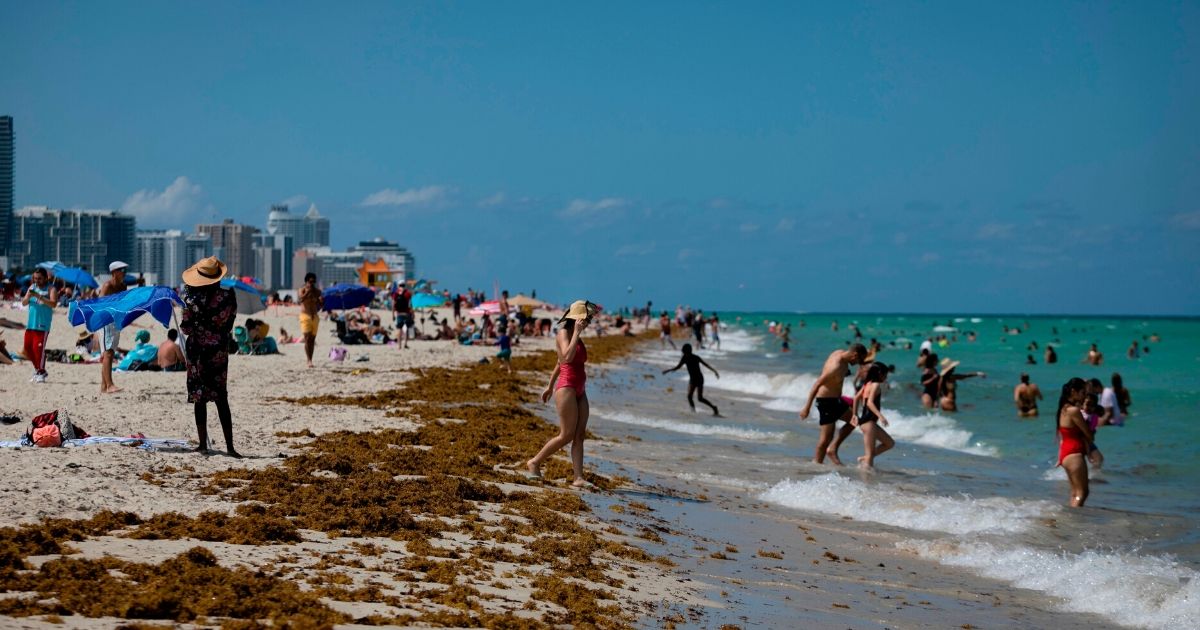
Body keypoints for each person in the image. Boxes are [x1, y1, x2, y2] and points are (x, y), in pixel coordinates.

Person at [526, 300, 598, 488]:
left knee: (579, 435)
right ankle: (534, 462)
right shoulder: (564, 333)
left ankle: (578, 478)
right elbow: (566, 357)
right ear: (577, 318)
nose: (589, 321)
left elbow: (558, 363)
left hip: (580, 388)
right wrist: (577, 332)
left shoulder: (577, 336)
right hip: (567, 387)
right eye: (587, 318)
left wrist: (549, 386)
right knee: (566, 434)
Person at [179, 256, 239, 457]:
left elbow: (186, 328)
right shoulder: (229, 297)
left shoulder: (191, 300)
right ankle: (230, 447)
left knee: (199, 397)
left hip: (197, 351)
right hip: (219, 352)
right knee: (222, 397)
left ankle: (203, 444)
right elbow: (229, 325)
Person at [799, 343, 868, 465]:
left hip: (836, 400)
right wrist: (806, 408)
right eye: (859, 360)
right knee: (825, 438)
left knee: (854, 420)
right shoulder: (835, 366)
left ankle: (832, 449)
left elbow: (837, 373)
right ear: (855, 355)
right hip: (826, 402)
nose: (858, 363)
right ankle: (817, 463)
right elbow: (817, 384)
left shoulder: (839, 353)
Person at [1055, 377, 1100, 507]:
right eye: (1082, 393)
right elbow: (1089, 435)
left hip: (1066, 453)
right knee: (1082, 492)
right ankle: (1074, 518)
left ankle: (1071, 518)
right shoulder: (1074, 411)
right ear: (1074, 391)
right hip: (1074, 453)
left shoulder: (1063, 409)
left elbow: (1062, 436)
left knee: (1075, 492)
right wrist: (1092, 425)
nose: (1084, 396)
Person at [852, 362, 895, 470]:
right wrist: (881, 416)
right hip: (869, 423)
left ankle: (864, 459)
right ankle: (867, 479)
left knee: (889, 443)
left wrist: (855, 415)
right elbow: (870, 403)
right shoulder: (875, 385)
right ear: (880, 374)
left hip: (866, 422)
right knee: (870, 455)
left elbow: (856, 398)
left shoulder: (867, 384)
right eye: (885, 375)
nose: (886, 377)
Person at [662, 343, 720, 416]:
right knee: (689, 396)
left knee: (700, 398)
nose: (684, 353)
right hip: (693, 379)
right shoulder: (684, 358)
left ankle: (714, 407)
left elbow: (706, 364)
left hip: (699, 378)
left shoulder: (695, 357)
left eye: (685, 351)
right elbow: (678, 367)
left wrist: (714, 371)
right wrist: (668, 370)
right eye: (684, 352)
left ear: (688, 351)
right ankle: (693, 411)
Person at [21, 267, 57, 383]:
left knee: (38, 350)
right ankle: (38, 370)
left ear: (46, 278)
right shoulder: (32, 287)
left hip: (42, 325)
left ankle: (41, 372)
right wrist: (29, 296)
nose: (37, 281)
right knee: (27, 349)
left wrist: (39, 296)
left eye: (40, 278)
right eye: (35, 278)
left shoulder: (51, 288)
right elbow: (24, 302)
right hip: (31, 324)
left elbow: (53, 304)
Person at [98, 261, 129, 393]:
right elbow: (99, 305)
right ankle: (110, 385)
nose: (124, 273)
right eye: (121, 270)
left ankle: (104, 386)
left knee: (109, 353)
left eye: (125, 270)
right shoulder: (107, 286)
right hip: (106, 321)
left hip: (116, 322)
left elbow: (124, 305)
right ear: (114, 273)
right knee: (108, 353)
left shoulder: (123, 286)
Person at [298, 273, 323, 368]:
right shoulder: (302, 289)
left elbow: (321, 304)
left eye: (313, 282)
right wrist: (308, 292)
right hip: (305, 315)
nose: (312, 284)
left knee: (312, 340)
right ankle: (308, 360)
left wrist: (320, 300)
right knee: (307, 338)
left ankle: (311, 359)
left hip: (315, 316)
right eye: (310, 282)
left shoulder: (317, 291)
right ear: (306, 281)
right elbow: (301, 299)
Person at [392, 284, 411, 349]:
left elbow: (393, 304)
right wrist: (412, 313)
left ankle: (399, 346)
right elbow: (410, 304)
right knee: (405, 329)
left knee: (399, 329)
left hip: (398, 313)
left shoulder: (396, 293)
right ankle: (405, 344)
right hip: (406, 313)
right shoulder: (407, 293)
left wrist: (393, 314)